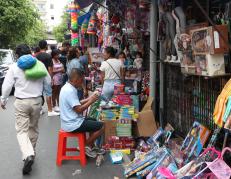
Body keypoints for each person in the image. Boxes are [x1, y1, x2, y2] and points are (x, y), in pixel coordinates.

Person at [0, 44, 51, 175]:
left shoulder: (15, 67)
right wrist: (47, 93)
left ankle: (27, 154)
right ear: (30, 52)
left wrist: (4, 99)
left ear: (17, 55)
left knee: (22, 130)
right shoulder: (39, 64)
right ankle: (31, 154)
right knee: (33, 128)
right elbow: (48, 80)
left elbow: (7, 86)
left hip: (21, 102)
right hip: (37, 102)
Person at [59, 68, 105, 158]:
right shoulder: (70, 91)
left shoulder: (66, 87)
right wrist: (91, 101)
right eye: (81, 80)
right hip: (72, 124)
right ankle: (84, 146)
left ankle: (91, 146)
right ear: (76, 79)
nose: (82, 83)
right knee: (102, 126)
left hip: (68, 121)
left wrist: (89, 98)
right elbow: (79, 109)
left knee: (93, 120)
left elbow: (76, 103)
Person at [36, 40, 59, 116]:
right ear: (46, 46)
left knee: (39, 93)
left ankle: (40, 109)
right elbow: (50, 68)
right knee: (48, 93)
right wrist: (51, 78)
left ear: (39, 47)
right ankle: (50, 110)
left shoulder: (36, 56)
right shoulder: (48, 56)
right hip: (46, 76)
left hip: (38, 76)